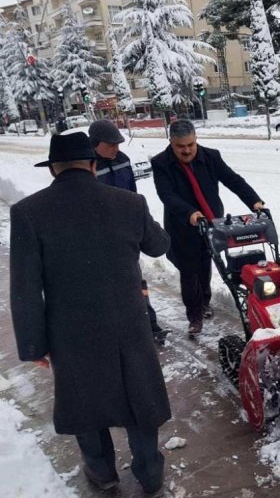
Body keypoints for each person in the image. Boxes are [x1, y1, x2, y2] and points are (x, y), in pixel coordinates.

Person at [10, 132, 171, 496]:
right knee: (140, 399)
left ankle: (103, 474)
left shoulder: (28, 213)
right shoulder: (129, 203)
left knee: (85, 403)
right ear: (95, 166)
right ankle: (150, 474)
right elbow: (159, 246)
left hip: (70, 331)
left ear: (53, 170)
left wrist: (35, 345)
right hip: (129, 324)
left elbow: (24, 289)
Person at [151, 120, 264, 336]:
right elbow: (167, 195)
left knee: (205, 265)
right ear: (171, 143)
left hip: (211, 222)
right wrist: (190, 213)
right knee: (189, 271)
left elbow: (233, 180)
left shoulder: (211, 157)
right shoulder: (161, 163)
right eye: (180, 146)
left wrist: (255, 202)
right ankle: (194, 316)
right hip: (183, 226)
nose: (186, 150)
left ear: (196, 140)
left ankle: (205, 301)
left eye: (190, 145)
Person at [88, 119, 168, 344]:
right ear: (95, 144)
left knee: (137, 279)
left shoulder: (123, 160)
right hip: (100, 234)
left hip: (125, 231)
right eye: (111, 144)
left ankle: (150, 325)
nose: (116, 148)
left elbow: (133, 195)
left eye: (118, 143)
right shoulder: (88, 166)